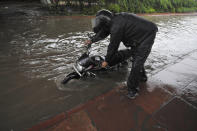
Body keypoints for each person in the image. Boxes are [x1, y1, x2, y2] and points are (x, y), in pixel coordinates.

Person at [84, 9, 158, 99]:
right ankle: (142, 77)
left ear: (105, 22)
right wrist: (91, 40)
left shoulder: (117, 26)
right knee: (136, 57)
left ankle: (132, 90)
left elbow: (113, 46)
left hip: (148, 35)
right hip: (138, 36)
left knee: (137, 62)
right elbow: (104, 32)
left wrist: (107, 61)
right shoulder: (112, 21)